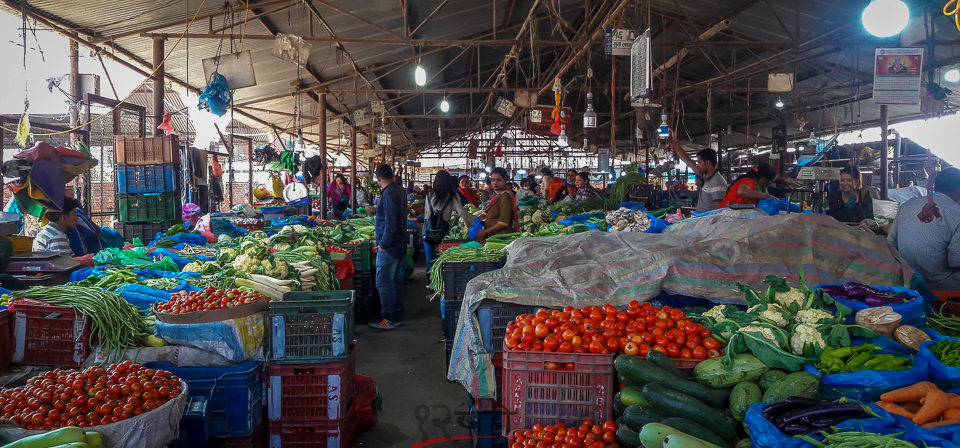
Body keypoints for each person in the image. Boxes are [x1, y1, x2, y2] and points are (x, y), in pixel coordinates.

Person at [888, 168, 960, 290]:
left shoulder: (907, 204)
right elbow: (956, 261)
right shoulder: (957, 213)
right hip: (938, 284)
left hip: (905, 279)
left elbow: (890, 243)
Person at [371, 164, 409, 330]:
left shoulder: (388, 194)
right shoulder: (399, 190)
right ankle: (396, 315)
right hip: (399, 243)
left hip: (390, 246)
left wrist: (383, 244)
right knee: (395, 281)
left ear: (378, 178)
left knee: (383, 282)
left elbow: (390, 223)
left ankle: (388, 318)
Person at [423, 171, 475, 271]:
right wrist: (474, 223)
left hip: (428, 231)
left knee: (430, 261)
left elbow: (427, 214)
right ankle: (443, 284)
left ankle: (430, 285)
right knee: (444, 261)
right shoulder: (453, 196)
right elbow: (462, 213)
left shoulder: (429, 195)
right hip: (443, 234)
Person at [668, 137, 727, 211]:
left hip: (709, 222)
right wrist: (675, 142)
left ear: (707, 163)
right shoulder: (705, 177)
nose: (697, 165)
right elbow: (687, 160)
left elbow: (719, 212)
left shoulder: (717, 183)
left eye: (699, 162)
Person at [475, 167, 519, 243]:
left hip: (501, 240)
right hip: (493, 238)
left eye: (498, 180)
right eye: (493, 180)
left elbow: (503, 222)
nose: (495, 183)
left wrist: (485, 232)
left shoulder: (505, 196)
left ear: (505, 181)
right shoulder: (496, 197)